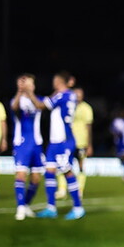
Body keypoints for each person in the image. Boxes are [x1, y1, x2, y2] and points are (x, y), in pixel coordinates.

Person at [22, 71, 85, 220]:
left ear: (58, 82)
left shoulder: (63, 96)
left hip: (64, 141)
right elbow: (50, 100)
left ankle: (78, 207)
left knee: (67, 171)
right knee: (49, 172)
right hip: (55, 142)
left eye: (55, 80)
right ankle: (51, 208)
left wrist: (29, 92)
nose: (53, 82)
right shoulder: (66, 95)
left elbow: (40, 105)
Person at [10, 74, 47, 220]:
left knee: (36, 178)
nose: (28, 86)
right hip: (22, 143)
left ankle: (25, 204)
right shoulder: (17, 100)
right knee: (21, 175)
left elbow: (40, 106)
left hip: (36, 143)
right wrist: (20, 91)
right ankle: (20, 207)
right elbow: (14, 107)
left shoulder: (39, 100)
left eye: (30, 83)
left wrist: (29, 92)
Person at [57, 86, 93, 198]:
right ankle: (62, 189)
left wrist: (89, 144)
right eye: (76, 94)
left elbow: (89, 127)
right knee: (63, 165)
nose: (78, 96)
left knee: (81, 166)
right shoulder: (68, 107)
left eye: (80, 94)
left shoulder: (86, 108)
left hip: (81, 142)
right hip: (67, 141)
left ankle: (79, 190)